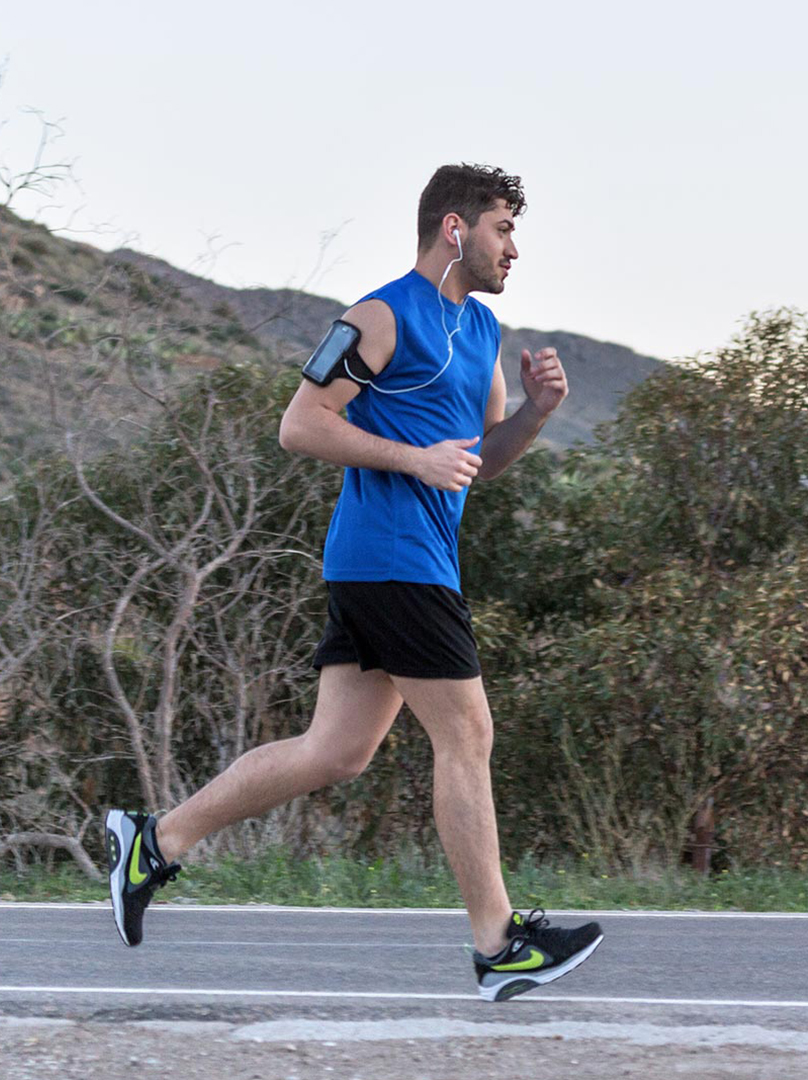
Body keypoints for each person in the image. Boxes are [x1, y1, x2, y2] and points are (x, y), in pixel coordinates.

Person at [105, 163, 603, 1002]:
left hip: (415, 559)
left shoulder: (481, 330)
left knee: (335, 751)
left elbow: (476, 464)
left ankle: (156, 842)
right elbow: (299, 425)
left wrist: (535, 412)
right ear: (455, 229)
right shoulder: (379, 316)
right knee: (467, 734)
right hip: (389, 556)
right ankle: (498, 944)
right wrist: (412, 459)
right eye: (503, 229)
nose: (513, 249)